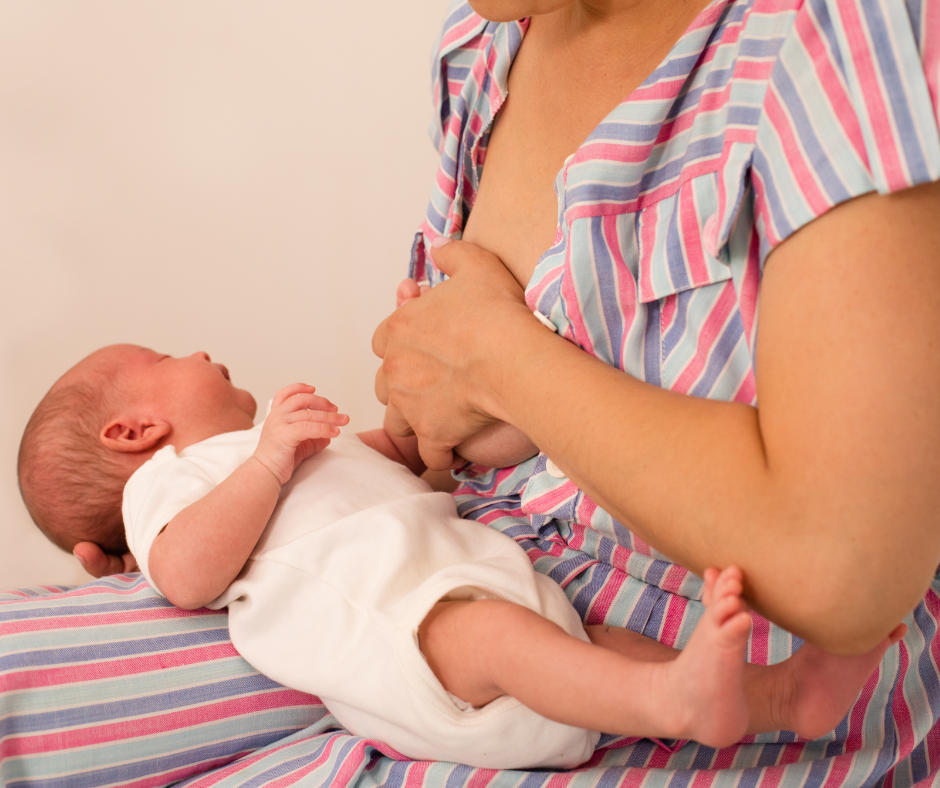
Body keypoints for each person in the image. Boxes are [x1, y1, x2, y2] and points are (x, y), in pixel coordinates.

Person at [3, 0, 938, 785]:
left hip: (544, 617)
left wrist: (498, 362)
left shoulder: (833, 39)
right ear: (134, 429)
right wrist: (417, 401)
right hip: (436, 578)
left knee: (514, 645)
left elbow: (842, 565)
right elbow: (198, 565)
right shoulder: (488, 42)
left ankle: (744, 699)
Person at [16, 344, 903, 769]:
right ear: (135, 431)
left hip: (458, 586)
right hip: (397, 643)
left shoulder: (273, 448)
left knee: (574, 639)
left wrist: (415, 411)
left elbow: (403, 453)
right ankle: (669, 701)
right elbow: (185, 572)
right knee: (500, 642)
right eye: (170, 356)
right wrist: (268, 457)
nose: (202, 350)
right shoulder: (171, 486)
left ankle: (787, 696)